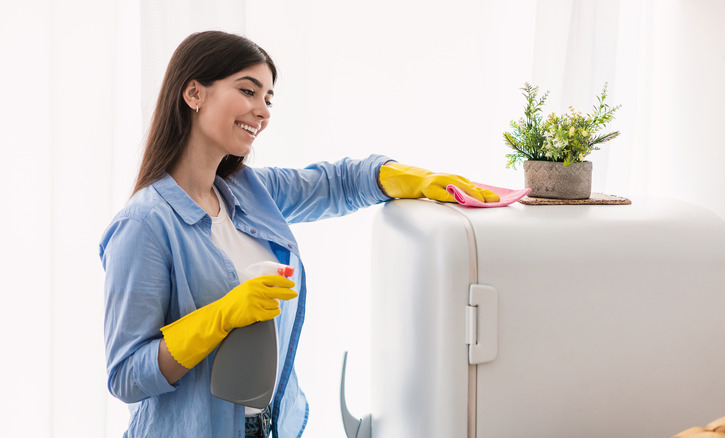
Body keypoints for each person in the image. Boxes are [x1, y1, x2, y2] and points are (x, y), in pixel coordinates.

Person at [99, 30, 498, 438]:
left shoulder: (248, 191)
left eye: (268, 99)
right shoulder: (144, 224)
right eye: (248, 91)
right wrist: (220, 317)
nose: (263, 111)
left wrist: (411, 177)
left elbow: (336, 183)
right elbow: (127, 375)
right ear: (194, 93)